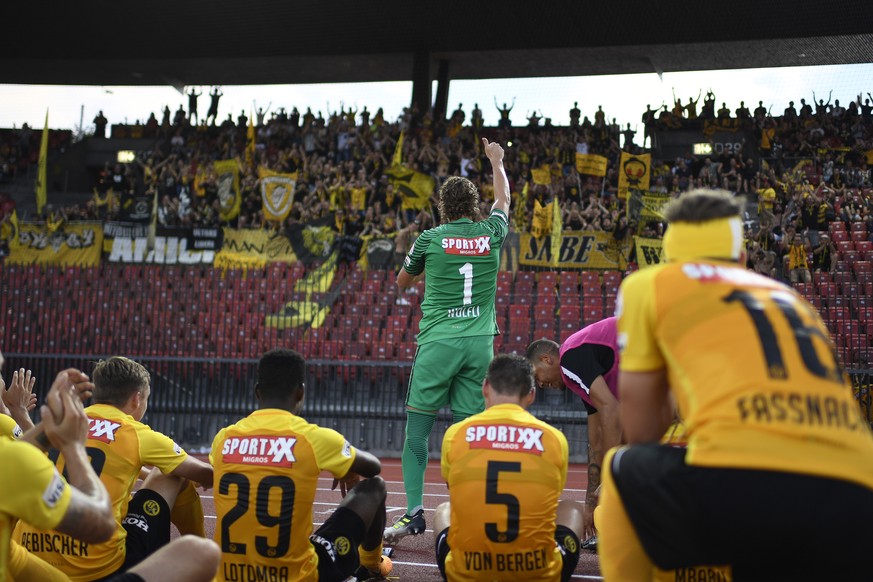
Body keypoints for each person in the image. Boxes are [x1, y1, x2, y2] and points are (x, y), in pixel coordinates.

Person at [598, 188, 873, 580]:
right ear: (742, 258)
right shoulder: (792, 299)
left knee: (621, 468)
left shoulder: (650, 284)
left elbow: (642, 432)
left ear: (669, 253)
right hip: (858, 489)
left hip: (745, 486)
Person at [384, 137, 511, 544]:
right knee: (465, 432)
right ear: (474, 206)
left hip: (439, 342)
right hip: (480, 344)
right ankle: (468, 512)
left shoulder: (429, 238)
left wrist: (413, 257)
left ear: (442, 206)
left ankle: (415, 513)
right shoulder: (491, 232)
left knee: (418, 430)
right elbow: (504, 200)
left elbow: (403, 281)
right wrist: (496, 161)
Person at [3, 368, 221, 582]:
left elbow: (28, 450)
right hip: (98, 568)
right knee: (172, 475)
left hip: (29, 555)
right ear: (137, 399)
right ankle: (200, 543)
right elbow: (205, 474)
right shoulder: (135, 432)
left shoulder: (61, 425)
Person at [211, 348, 392, 581]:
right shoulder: (313, 438)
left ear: (258, 392)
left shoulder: (224, 438)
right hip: (298, 576)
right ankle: (371, 567)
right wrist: (347, 467)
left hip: (230, 575)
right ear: (300, 393)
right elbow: (373, 467)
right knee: (374, 487)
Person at [433, 354, 583, 582]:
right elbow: (551, 498)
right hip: (538, 575)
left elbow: (454, 490)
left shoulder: (456, 434)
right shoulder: (554, 438)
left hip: (467, 574)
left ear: (485, 387)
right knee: (571, 508)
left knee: (444, 509)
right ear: (531, 395)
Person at [526, 317, 620, 547]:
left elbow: (611, 409)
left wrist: (610, 476)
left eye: (536, 374)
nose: (538, 384)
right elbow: (596, 444)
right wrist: (590, 504)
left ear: (546, 359)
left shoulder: (570, 359)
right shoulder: (583, 381)